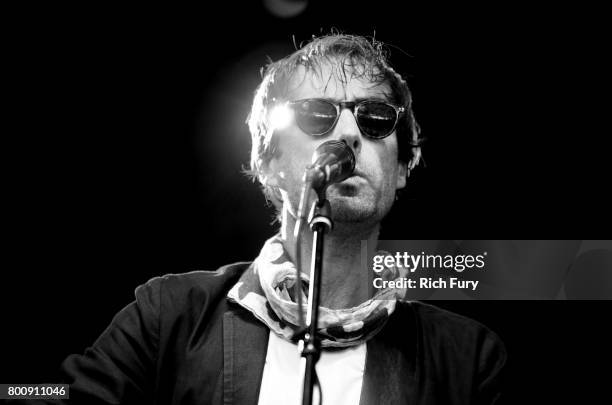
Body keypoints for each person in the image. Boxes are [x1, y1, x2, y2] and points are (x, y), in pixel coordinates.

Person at [15, 33, 506, 405]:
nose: (352, 134)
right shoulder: (169, 316)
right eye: (317, 114)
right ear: (269, 164)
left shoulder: (467, 358)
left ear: (402, 168)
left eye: (376, 118)